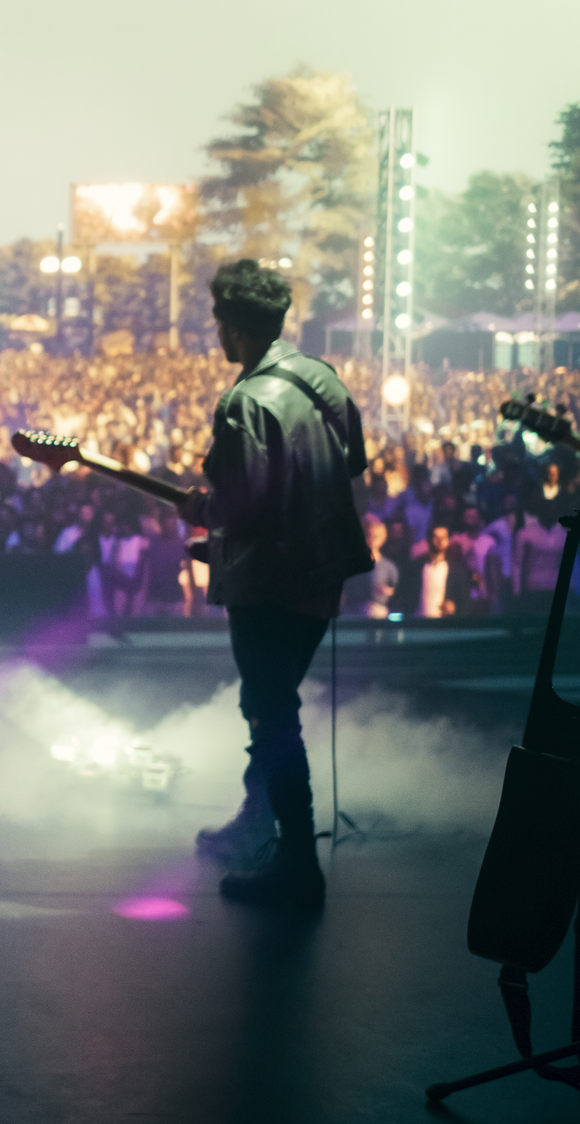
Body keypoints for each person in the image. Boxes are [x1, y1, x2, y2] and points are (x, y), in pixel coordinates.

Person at [180, 261, 374, 908]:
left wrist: (202, 512)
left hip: (269, 583)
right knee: (269, 705)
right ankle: (257, 820)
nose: (216, 332)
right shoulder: (320, 376)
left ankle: (295, 860)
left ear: (232, 326)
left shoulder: (245, 402)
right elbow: (353, 460)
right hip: (323, 574)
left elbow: (243, 508)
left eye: (218, 322)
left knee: (272, 715)